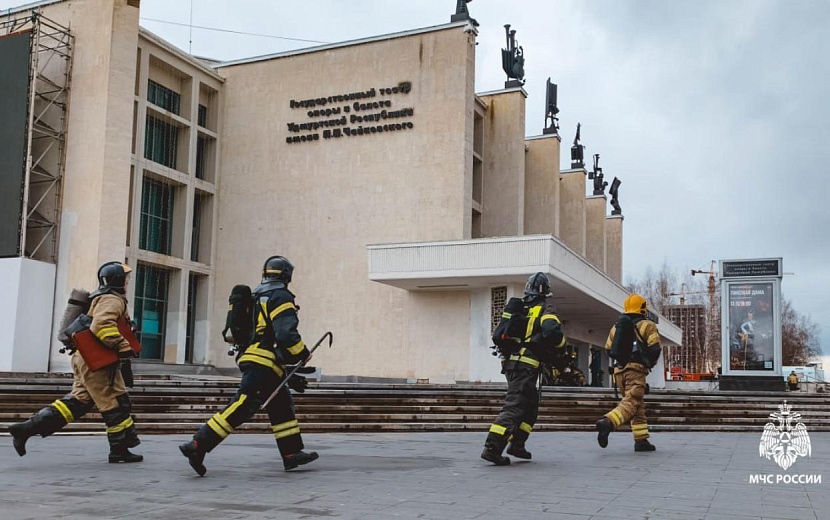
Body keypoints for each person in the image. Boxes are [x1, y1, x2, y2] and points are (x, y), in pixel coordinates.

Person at [179, 256, 318, 476]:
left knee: (281, 404)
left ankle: (292, 453)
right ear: (286, 276)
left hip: (254, 357)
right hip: (264, 361)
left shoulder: (255, 295)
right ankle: (198, 445)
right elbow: (285, 334)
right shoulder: (280, 296)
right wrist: (302, 353)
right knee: (243, 403)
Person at [9, 262, 142, 463]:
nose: (128, 281)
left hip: (86, 358)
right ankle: (119, 450)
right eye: (126, 278)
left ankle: (26, 429)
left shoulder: (100, 297)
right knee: (115, 402)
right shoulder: (112, 300)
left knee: (78, 402)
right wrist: (123, 346)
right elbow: (102, 325)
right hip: (96, 362)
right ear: (118, 280)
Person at [481, 272, 566, 466]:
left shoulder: (520, 307)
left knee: (531, 405)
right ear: (546, 292)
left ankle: (517, 444)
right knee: (515, 406)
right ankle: (492, 448)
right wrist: (561, 347)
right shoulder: (544, 308)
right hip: (525, 366)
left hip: (512, 364)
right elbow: (552, 330)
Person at [596, 294, 662, 452]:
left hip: (619, 372)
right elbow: (655, 348)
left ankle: (641, 440)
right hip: (636, 370)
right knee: (631, 403)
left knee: (637, 404)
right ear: (643, 308)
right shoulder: (648, 325)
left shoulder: (616, 327)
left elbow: (608, 349)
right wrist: (649, 363)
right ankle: (608, 422)